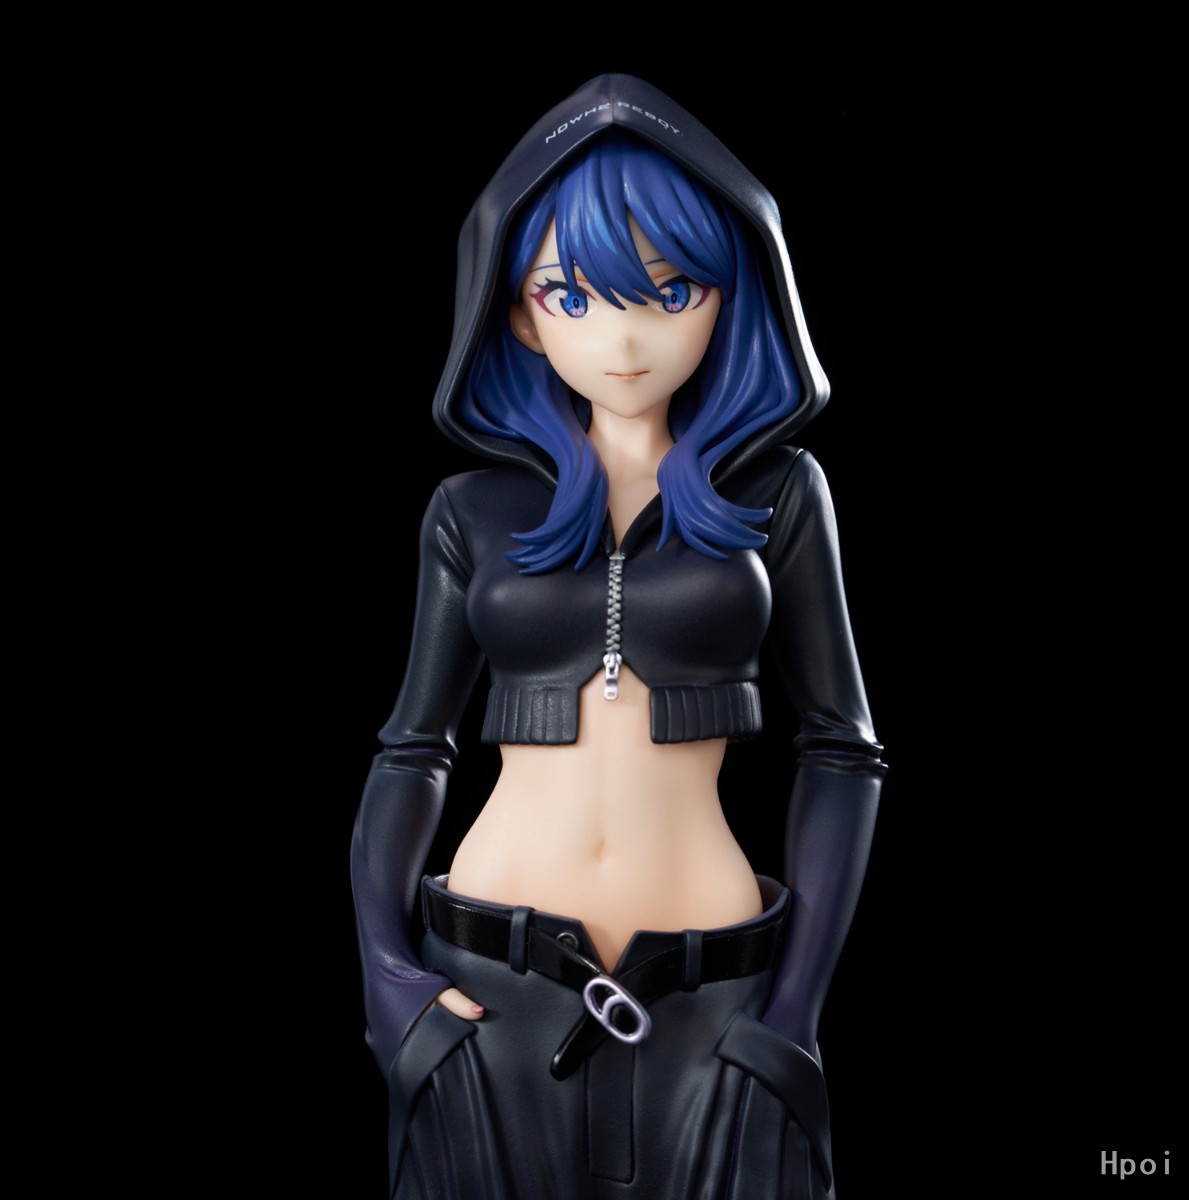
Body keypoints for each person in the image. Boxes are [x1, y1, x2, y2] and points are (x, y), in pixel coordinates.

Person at [351, 75, 885, 1200]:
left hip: (719, 1000)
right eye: (572, 295)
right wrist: (389, 986)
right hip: (484, 992)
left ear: (730, 296)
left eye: (670, 289)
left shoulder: (779, 494)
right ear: (518, 313)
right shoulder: (470, 511)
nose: (625, 337)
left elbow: (842, 749)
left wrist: (792, 1018)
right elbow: (412, 749)